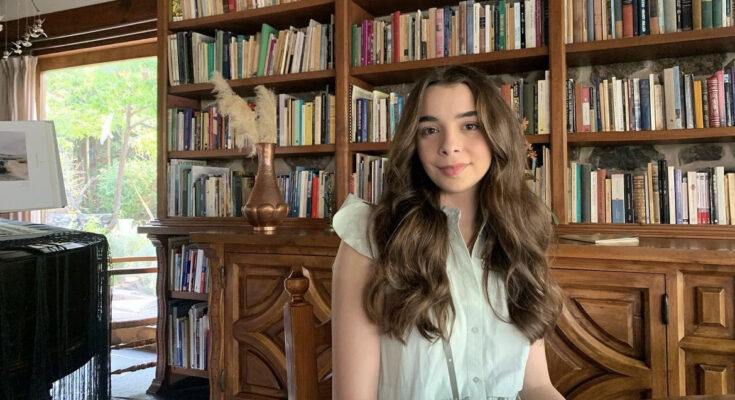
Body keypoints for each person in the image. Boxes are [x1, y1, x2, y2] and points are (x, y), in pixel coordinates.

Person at [331, 65, 565, 400]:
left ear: (496, 133)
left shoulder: (519, 234)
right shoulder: (370, 237)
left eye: (469, 125)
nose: (449, 145)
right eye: (429, 130)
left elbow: (536, 385)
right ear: (414, 141)